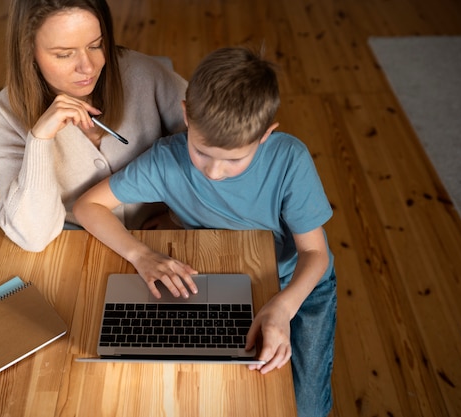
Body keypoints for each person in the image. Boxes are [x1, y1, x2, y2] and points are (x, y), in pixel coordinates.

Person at [73, 46, 336, 417]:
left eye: (233, 160)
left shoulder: (290, 160)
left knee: (306, 406)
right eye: (201, 151)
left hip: (298, 284)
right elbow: (88, 206)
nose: (213, 172)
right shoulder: (167, 160)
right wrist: (140, 254)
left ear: (265, 135)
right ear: (185, 115)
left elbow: (316, 254)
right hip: (220, 273)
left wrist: (282, 306)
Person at [0, 0, 188, 252]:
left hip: (157, 240)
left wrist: (179, 217)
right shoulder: (7, 113)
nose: (88, 67)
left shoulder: (146, 75)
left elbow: (217, 148)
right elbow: (33, 237)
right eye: (64, 54)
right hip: (74, 250)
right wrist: (39, 141)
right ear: (29, 50)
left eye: (96, 45)